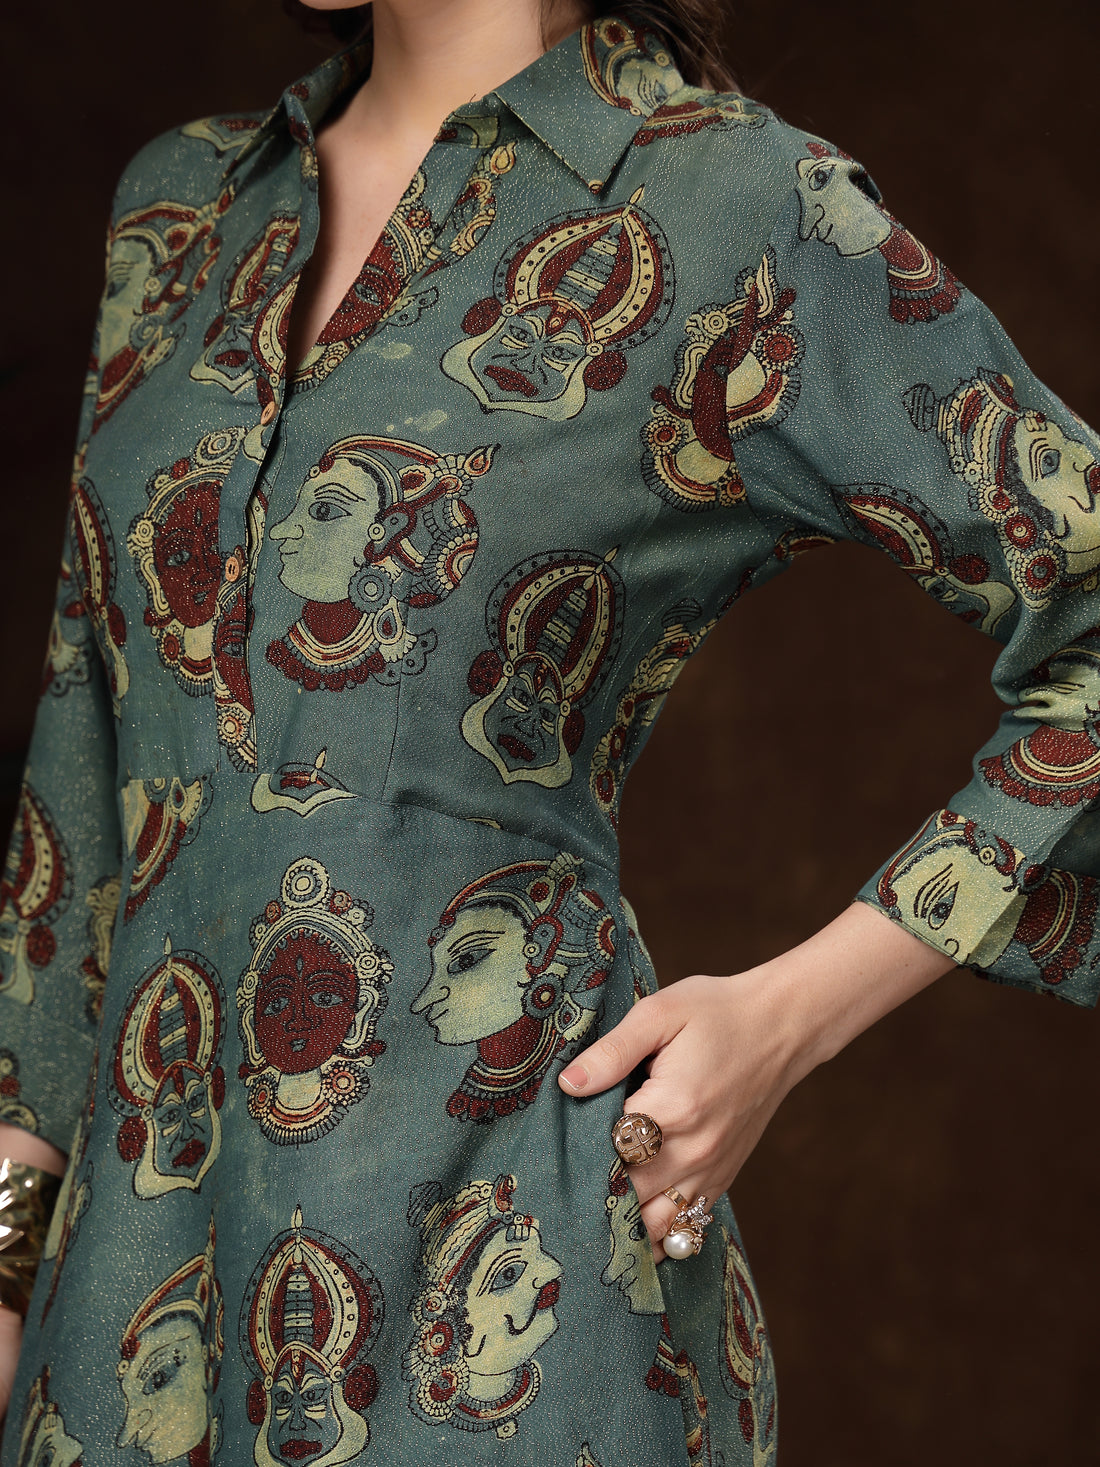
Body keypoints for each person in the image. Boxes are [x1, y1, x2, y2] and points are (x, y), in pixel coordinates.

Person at [0, 2, 1096, 1464]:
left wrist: (783, 1021)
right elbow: (85, 755)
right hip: (130, 1296)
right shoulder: (187, 203)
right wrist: (5, 1251)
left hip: (505, 1277)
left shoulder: (732, 205)